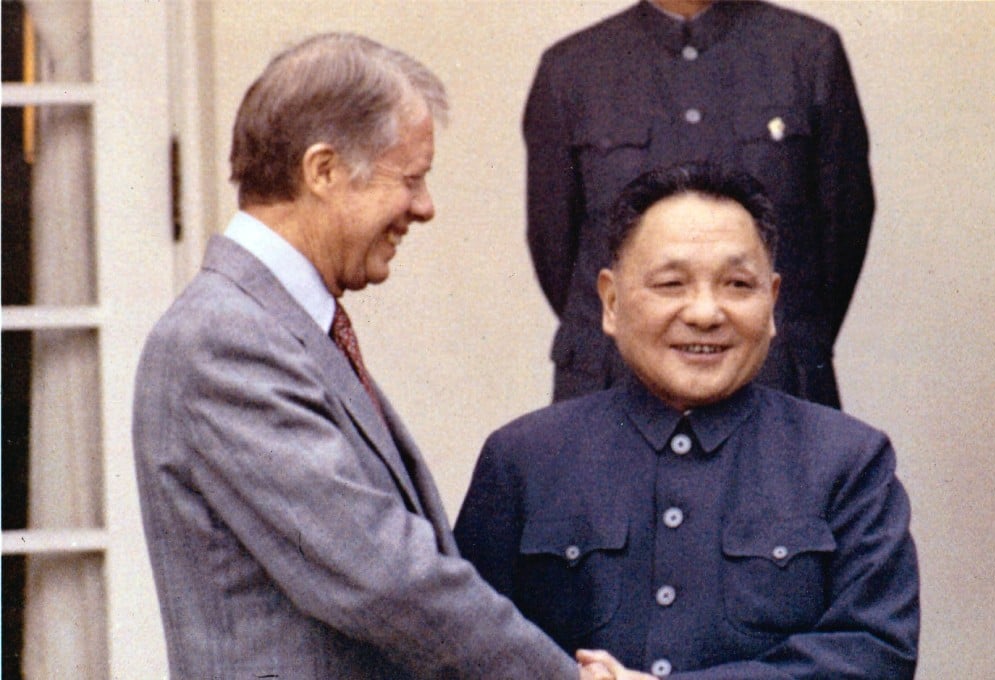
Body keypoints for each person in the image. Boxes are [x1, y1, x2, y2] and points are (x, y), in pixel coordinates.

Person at [133, 32, 627, 679]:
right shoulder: (225, 340)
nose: (424, 208)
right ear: (324, 170)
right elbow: (384, 578)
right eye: (411, 179)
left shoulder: (282, 327)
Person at [455, 163, 919, 678]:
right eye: (672, 283)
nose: (704, 313)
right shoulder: (522, 460)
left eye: (738, 284)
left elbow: (877, 654)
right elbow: (459, 650)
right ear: (610, 302)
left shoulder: (849, 462)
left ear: (772, 304)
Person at [525, 0, 874, 407]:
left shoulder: (808, 51)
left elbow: (843, 231)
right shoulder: (572, 67)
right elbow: (554, 246)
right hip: (612, 385)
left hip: (775, 380)